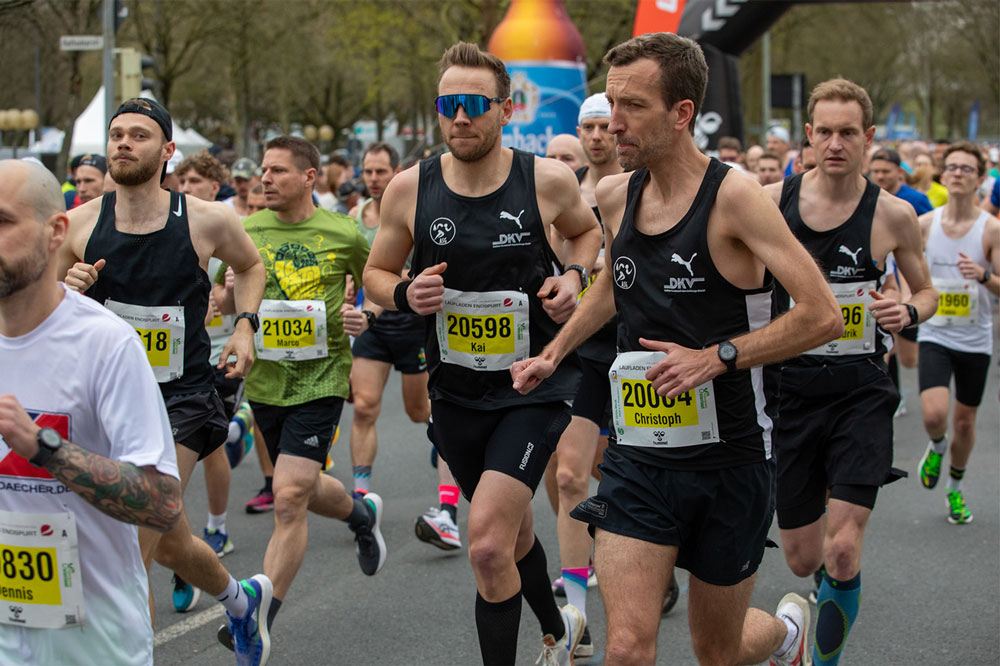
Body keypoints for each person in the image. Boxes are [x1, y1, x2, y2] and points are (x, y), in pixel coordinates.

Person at [510, 33, 844, 666]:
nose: (613, 122)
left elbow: (822, 315)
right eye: (611, 104)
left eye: (633, 106)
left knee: (716, 651)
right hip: (638, 453)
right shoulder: (615, 195)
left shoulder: (735, 198)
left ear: (682, 112)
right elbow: (616, 282)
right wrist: (555, 351)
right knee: (629, 647)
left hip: (733, 457)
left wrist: (717, 357)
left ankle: (786, 637)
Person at [364, 41, 602, 665]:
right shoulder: (409, 188)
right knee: (514, 530)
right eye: (448, 105)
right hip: (456, 391)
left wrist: (573, 279)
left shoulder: (545, 179)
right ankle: (564, 630)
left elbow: (586, 234)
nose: (460, 117)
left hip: (533, 385)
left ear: (505, 109)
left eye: (474, 104)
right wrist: (403, 292)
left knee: (488, 543)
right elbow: (375, 275)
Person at [56, 97, 272, 666]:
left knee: (132, 539)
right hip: (104, 402)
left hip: (182, 399)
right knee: (171, 539)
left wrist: (245, 328)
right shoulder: (79, 225)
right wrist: (67, 288)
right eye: (117, 134)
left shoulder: (208, 219)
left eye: (140, 135)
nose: (124, 143)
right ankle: (242, 600)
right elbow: (41, 306)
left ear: (168, 150)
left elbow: (250, 267)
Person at [764, 78, 938, 666]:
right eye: (825, 132)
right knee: (801, 558)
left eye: (848, 133)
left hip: (862, 390)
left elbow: (930, 292)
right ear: (808, 136)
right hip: (789, 391)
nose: (835, 143)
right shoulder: (770, 203)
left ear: (868, 138)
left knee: (842, 550)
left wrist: (908, 310)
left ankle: (824, 659)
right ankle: (804, 621)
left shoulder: (891, 214)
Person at [0, 158, 181, 665]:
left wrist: (43, 447)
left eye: (2, 222)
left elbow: (162, 503)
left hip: (94, 645)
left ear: (56, 231)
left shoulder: (105, 343)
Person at [214, 136, 387, 663]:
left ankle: (257, 618)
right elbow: (225, 300)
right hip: (264, 382)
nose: (264, 179)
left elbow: (380, 281)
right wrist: (225, 293)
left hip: (323, 379)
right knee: (306, 485)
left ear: (310, 177)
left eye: (278, 171)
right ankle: (360, 515)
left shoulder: (343, 232)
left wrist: (369, 316)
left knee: (289, 495)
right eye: (263, 170)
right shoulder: (244, 232)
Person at [340, 141, 464, 549]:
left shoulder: (411, 209)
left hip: (413, 324)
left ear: (396, 171)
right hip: (374, 325)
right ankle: (361, 497)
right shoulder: (354, 218)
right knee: (364, 405)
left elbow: (401, 270)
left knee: (421, 412)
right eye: (368, 171)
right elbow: (359, 273)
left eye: (381, 171)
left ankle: (445, 448)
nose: (374, 178)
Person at [548, 90, 623, 659]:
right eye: (588, 127)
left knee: (620, 475)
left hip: (636, 352)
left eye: (605, 126)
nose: (597, 136)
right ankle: (575, 611)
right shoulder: (564, 193)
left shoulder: (640, 185)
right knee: (570, 475)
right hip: (579, 352)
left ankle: (649, 551)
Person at [176, 151, 255, 556]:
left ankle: (216, 526)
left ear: (213, 186)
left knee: (210, 448)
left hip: (222, 348)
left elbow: (251, 274)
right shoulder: (168, 226)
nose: (186, 187)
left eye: (195, 181)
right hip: (180, 355)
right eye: (182, 181)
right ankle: (178, 544)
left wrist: (226, 303)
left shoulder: (226, 225)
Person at [916, 140, 999, 525]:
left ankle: (955, 488)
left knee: (965, 421)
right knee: (935, 415)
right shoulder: (925, 225)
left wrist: (983, 276)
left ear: (981, 178)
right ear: (942, 174)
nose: (958, 174)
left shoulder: (991, 229)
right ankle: (936, 446)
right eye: (952, 167)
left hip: (975, 338)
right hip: (936, 333)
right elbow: (903, 272)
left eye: (967, 168)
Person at [869, 148, 933, 216]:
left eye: (886, 171)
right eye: (875, 171)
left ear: (899, 171)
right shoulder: (866, 198)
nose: (880, 176)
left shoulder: (917, 199)